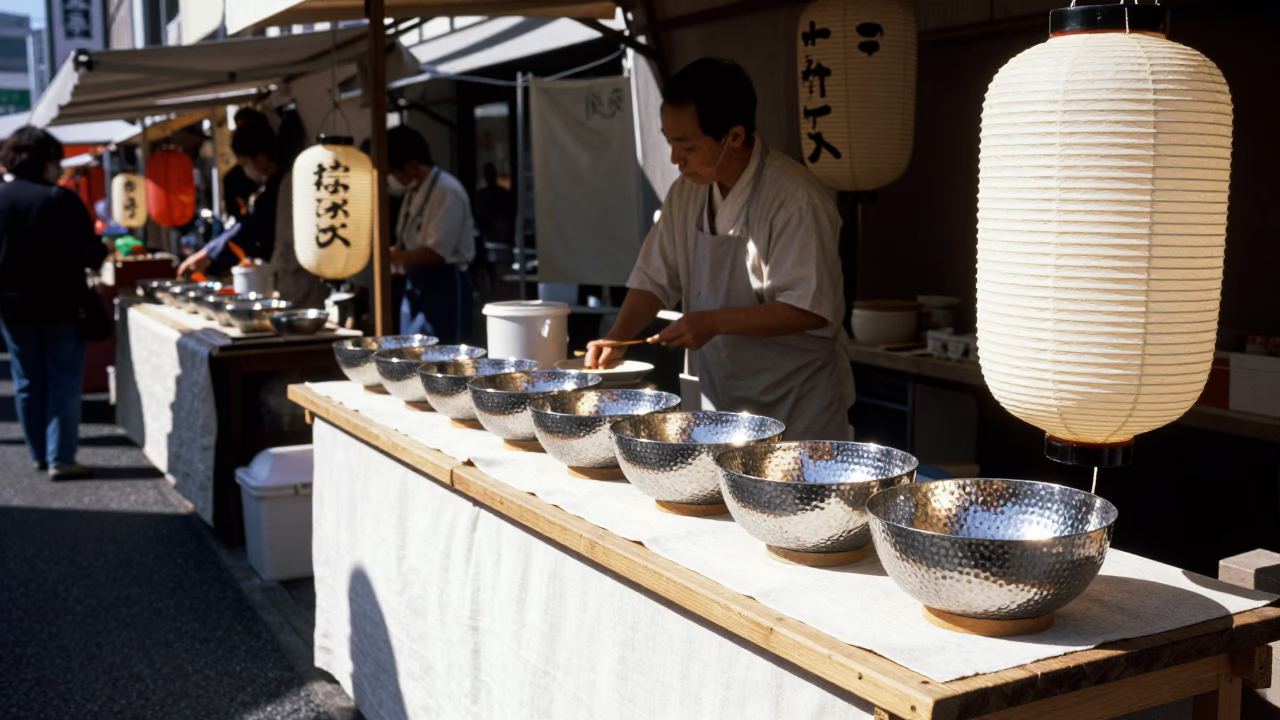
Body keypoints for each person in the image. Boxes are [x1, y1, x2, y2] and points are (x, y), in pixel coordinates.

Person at [586, 58, 855, 441]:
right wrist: (617, 336)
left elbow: (808, 308)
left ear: (734, 136)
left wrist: (711, 322)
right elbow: (654, 278)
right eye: (669, 142)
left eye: (687, 146)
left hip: (797, 408)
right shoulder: (687, 192)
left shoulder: (795, 198)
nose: (675, 160)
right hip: (721, 402)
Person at [0, 126, 107, 478]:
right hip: (63, 304)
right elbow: (92, 254)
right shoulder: (59, 199)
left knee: (27, 380)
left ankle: (38, 454)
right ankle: (61, 457)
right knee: (63, 380)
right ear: (46, 162)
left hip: (12, 306)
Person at [177, 121, 328, 308]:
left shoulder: (282, 186)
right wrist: (208, 253)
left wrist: (208, 254)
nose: (244, 169)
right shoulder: (275, 184)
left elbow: (249, 228)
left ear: (261, 157)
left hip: (298, 279)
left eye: (244, 162)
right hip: (291, 278)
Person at [387, 125, 476, 343]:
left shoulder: (446, 190)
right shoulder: (416, 189)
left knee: (441, 355)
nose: (391, 178)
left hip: (445, 285)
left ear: (411, 165)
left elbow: (436, 252)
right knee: (413, 354)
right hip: (417, 282)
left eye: (392, 171)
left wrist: (392, 256)